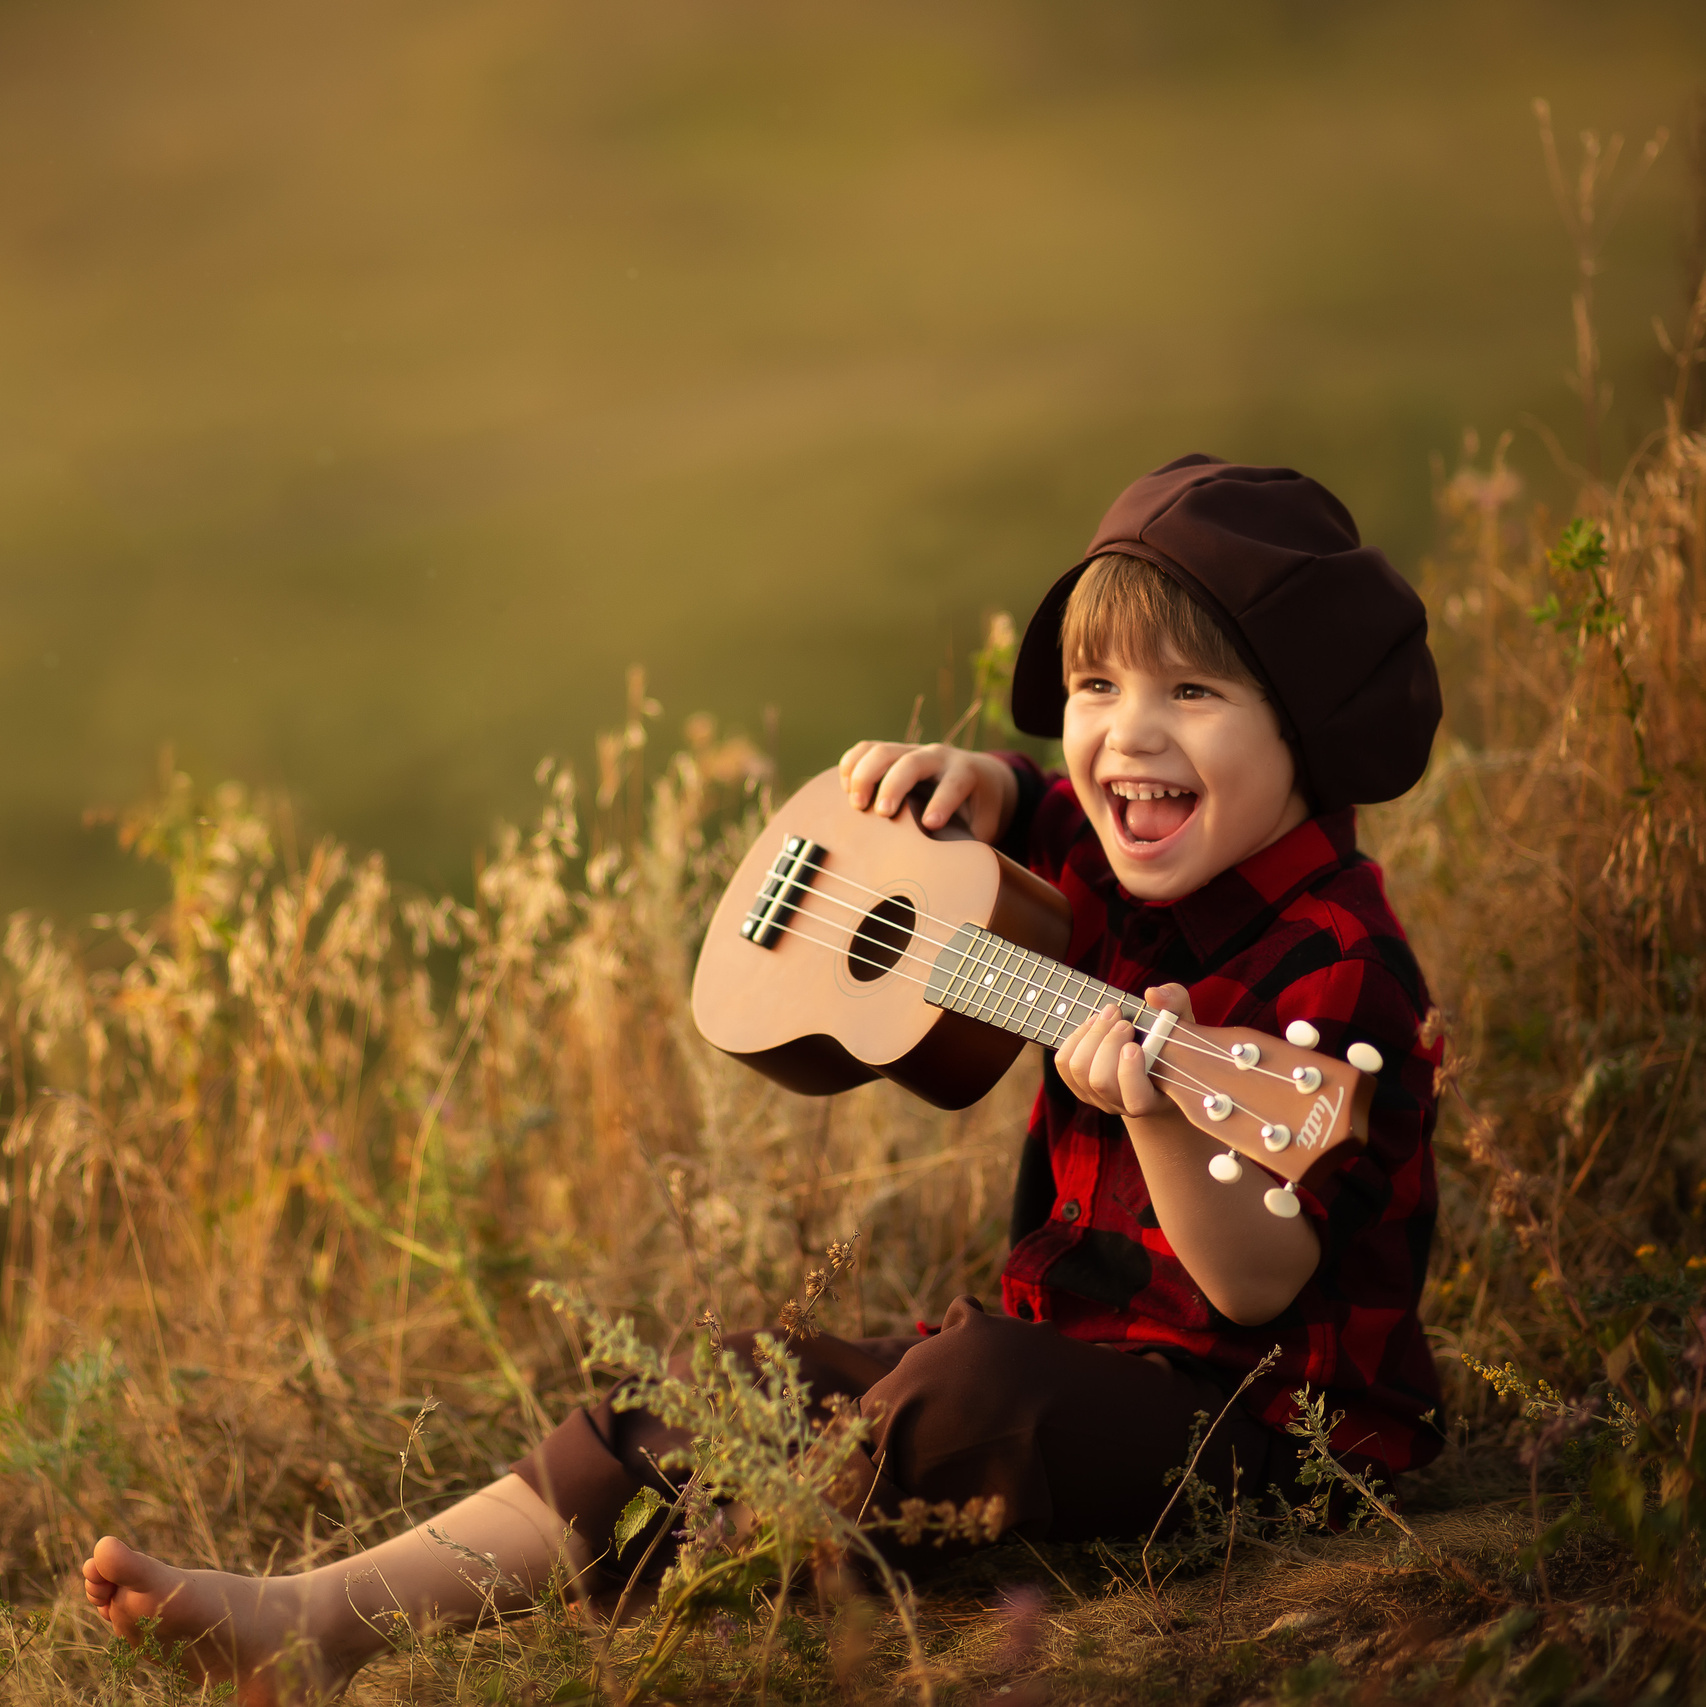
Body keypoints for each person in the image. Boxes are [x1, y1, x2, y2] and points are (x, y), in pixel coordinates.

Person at [84, 453, 1446, 1703]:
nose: (1124, 742)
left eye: (1189, 694)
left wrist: (1149, 1104)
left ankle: (720, 1555)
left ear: (1303, 727)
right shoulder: (1105, 840)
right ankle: (317, 1618)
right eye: (1097, 690)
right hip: (1072, 1352)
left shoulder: (1336, 961)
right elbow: (1028, 809)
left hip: (1265, 1433)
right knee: (732, 1382)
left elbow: (1258, 1286)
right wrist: (965, 778)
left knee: (965, 1390)